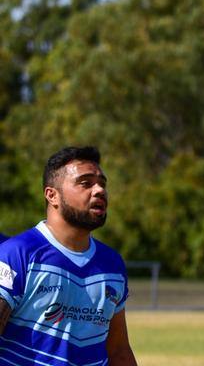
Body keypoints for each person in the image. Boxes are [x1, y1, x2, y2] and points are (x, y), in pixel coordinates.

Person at [0, 146, 138, 366]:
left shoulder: (112, 265)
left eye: (102, 183)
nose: (99, 190)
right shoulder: (17, 255)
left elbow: (119, 350)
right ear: (52, 195)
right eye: (86, 183)